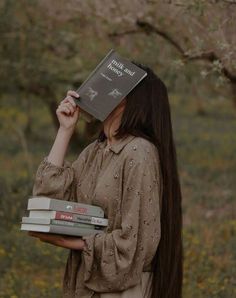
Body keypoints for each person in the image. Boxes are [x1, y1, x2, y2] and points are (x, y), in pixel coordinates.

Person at [29, 63, 183, 298]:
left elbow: (136, 243)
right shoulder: (96, 150)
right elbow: (47, 202)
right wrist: (65, 131)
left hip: (122, 290)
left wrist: (72, 242)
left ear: (129, 100)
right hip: (87, 283)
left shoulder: (138, 152)